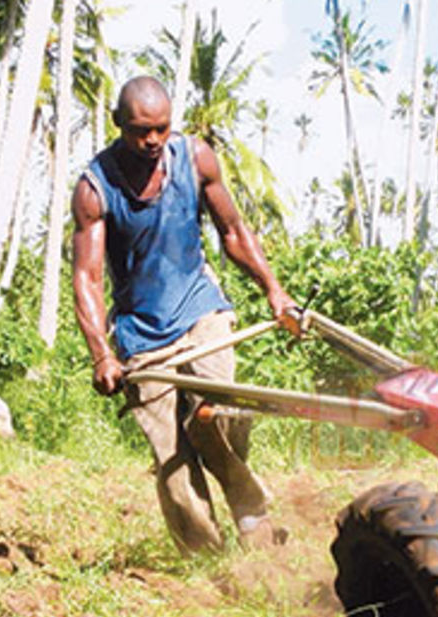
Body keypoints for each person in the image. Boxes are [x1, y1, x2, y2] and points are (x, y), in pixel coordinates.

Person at [71, 75, 296, 554]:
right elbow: (88, 278)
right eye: (139, 131)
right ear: (118, 124)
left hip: (201, 312)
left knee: (215, 418)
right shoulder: (95, 187)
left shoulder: (195, 159)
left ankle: (254, 520)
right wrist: (101, 355)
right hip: (141, 334)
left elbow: (232, 231)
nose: (152, 141)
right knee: (173, 467)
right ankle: (210, 563)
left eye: (161, 129)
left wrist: (275, 290)